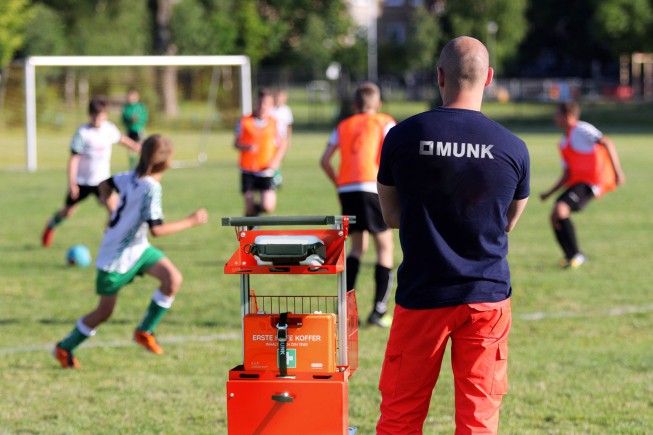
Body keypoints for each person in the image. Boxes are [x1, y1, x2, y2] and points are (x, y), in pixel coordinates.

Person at [375, 36, 530, 433]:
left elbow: (391, 215)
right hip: (487, 299)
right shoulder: (514, 147)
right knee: (479, 419)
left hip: (423, 295)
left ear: (439, 76)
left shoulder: (402, 137)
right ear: (490, 78)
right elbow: (509, 221)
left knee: (400, 416)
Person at [53, 134, 209, 368]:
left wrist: (112, 210)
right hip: (115, 258)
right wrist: (192, 221)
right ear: (165, 163)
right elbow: (157, 229)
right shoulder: (151, 188)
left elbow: (104, 185)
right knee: (104, 312)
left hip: (137, 248)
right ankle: (64, 347)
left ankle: (144, 331)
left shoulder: (130, 177)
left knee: (172, 279)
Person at [320, 82, 396, 328]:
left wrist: (339, 183)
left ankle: (346, 310)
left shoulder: (343, 125)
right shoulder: (384, 121)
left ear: (354, 105)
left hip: (347, 189)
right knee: (384, 248)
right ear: (378, 104)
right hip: (372, 188)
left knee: (356, 248)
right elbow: (392, 154)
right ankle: (378, 311)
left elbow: (325, 160)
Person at [41, 95, 141, 247]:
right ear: (89, 115)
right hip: (82, 182)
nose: (97, 120)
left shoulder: (109, 129)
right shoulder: (82, 133)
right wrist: (72, 183)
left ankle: (111, 241)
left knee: (114, 211)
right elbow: (73, 159)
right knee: (67, 212)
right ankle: (51, 225)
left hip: (103, 182)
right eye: (94, 117)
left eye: (100, 117)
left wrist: (139, 148)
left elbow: (122, 140)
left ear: (105, 115)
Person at [540, 101, 625, 268]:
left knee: (561, 209)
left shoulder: (581, 129)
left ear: (568, 116)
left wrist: (617, 172)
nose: (555, 118)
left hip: (592, 182)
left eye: (557, 115)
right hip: (578, 183)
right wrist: (549, 193)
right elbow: (567, 174)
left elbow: (607, 142)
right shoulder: (564, 142)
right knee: (554, 217)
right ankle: (571, 256)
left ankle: (576, 256)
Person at [234, 88, 287, 217]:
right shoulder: (244, 121)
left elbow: (283, 144)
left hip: (266, 169)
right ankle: (251, 225)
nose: (262, 106)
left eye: (266, 103)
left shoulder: (275, 123)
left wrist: (276, 161)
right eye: (260, 102)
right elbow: (236, 143)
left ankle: (255, 214)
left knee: (268, 207)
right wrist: (246, 147)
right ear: (256, 103)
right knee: (249, 207)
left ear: (271, 105)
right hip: (248, 169)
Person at [271, 88, 294, 188]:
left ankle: (276, 177)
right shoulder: (270, 109)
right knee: (272, 158)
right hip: (271, 139)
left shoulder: (286, 110)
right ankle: (275, 177)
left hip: (282, 139)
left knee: (278, 158)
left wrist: (289, 140)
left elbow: (288, 126)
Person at [122, 88, 149, 169]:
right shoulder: (127, 107)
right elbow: (124, 118)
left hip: (138, 130)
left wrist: (138, 121)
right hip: (130, 130)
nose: (130, 98)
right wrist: (130, 119)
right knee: (131, 149)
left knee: (140, 147)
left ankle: (141, 165)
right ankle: (132, 166)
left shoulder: (140, 107)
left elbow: (144, 118)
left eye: (132, 97)